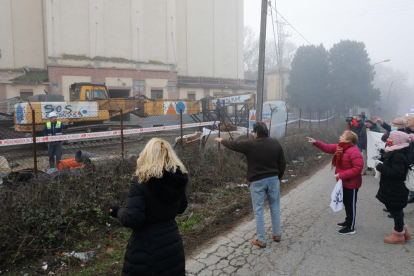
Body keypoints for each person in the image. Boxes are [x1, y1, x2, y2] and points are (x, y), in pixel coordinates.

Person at [109, 138, 188, 276]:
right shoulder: (177, 178)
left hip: (147, 249)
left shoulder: (141, 181)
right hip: (172, 243)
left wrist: (117, 211)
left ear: (147, 155)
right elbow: (182, 207)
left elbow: (133, 219)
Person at [214, 122, 286, 248]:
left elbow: (233, 145)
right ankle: (276, 235)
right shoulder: (275, 142)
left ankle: (262, 240)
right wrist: (277, 177)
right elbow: (282, 162)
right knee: (275, 207)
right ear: (266, 132)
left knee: (258, 210)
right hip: (273, 179)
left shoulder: (250, 144)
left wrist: (221, 140)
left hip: (257, 181)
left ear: (256, 133)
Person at [307, 131, 363, 235]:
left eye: (342, 136)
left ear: (348, 140)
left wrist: (341, 175)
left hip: (351, 183)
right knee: (346, 202)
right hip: (343, 182)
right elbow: (328, 148)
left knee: (351, 205)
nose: (340, 137)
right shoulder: (340, 147)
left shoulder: (354, 151)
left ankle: (351, 227)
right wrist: (316, 142)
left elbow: (358, 168)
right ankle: (347, 222)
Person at [374, 131, 413, 244]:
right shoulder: (397, 150)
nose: (388, 139)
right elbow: (391, 164)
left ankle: (398, 235)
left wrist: (379, 166)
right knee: (397, 210)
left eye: (390, 137)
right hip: (393, 188)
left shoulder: (398, 155)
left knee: (395, 210)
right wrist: (382, 158)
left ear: (398, 141)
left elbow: (397, 173)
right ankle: (403, 231)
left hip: (395, 188)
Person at [375, 116, 414, 204]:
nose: (407, 121)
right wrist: (382, 123)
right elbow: (391, 128)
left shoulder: (404, 132)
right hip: (406, 159)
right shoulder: (404, 130)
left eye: (409, 120)